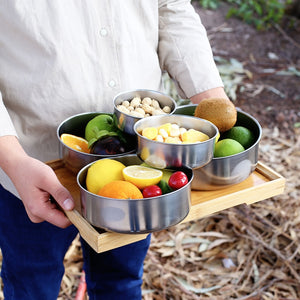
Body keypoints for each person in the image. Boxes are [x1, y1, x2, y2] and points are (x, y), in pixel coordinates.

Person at [0, 1, 230, 299]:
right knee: (32, 284)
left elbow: (169, 7)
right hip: (32, 164)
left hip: (136, 164)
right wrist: (13, 159)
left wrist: (213, 103)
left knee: (119, 283)